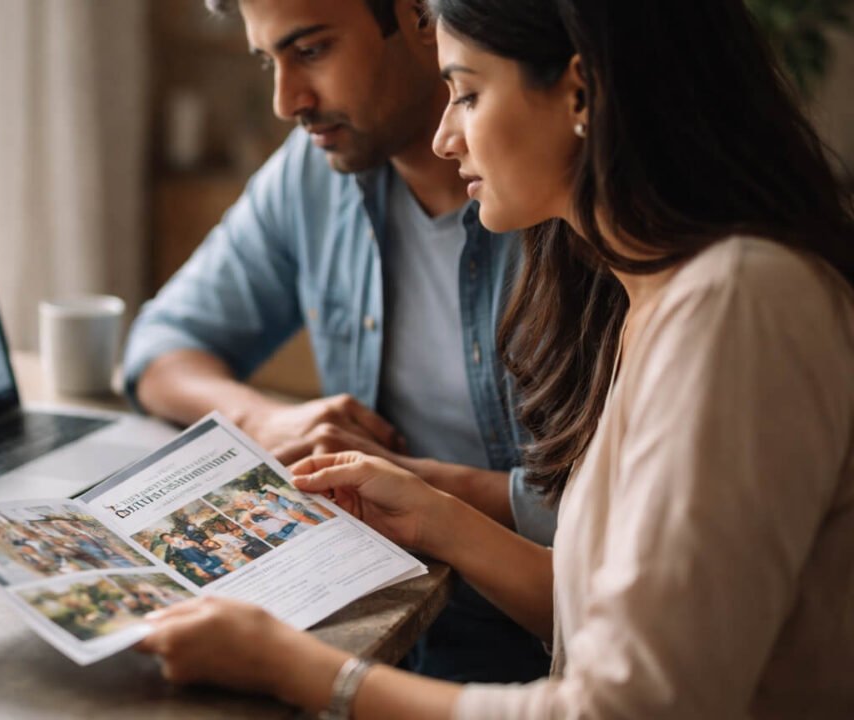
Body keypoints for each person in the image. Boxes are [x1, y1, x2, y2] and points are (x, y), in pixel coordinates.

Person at [137, 0, 854, 716]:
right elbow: (609, 625)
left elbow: (633, 706)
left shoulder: (735, 305)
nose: (447, 136)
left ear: (580, 91)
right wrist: (433, 515)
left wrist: (300, 670)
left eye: (470, 93)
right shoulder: (659, 297)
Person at [125, 0, 552, 682]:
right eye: (270, 61)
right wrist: (265, 417)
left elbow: (623, 524)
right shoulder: (314, 172)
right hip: (377, 618)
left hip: (533, 646)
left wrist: (427, 492)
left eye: (313, 50)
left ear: (418, 16)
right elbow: (162, 344)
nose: (286, 100)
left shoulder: (562, 195)